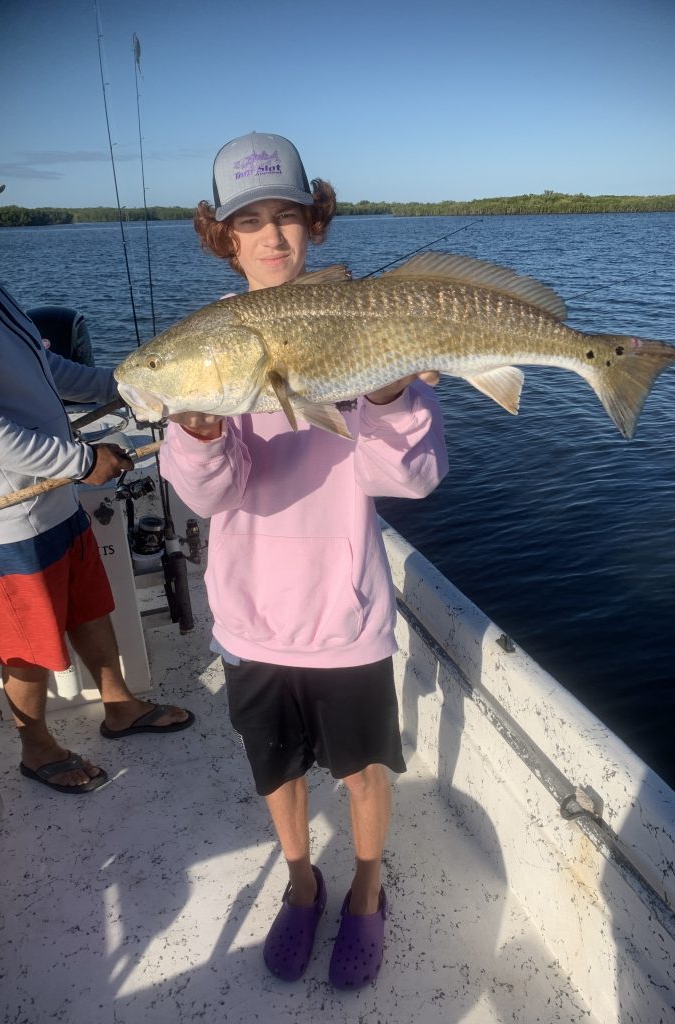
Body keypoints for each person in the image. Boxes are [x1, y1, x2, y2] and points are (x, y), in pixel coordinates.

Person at [160, 132, 448, 988]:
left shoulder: (369, 318)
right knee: (276, 769)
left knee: (364, 771)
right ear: (226, 236)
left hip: (344, 613)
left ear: (314, 225)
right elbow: (210, 497)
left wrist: (391, 389)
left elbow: (413, 478)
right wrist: (199, 430)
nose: (274, 236)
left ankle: (366, 886)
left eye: (288, 216)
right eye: (252, 222)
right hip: (252, 617)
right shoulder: (212, 342)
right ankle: (300, 881)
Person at [0, 147, 194, 796]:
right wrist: (83, 461)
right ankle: (36, 747)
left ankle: (120, 704)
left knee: (91, 607)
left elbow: (44, 367)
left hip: (53, 499)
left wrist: (119, 387)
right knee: (26, 644)